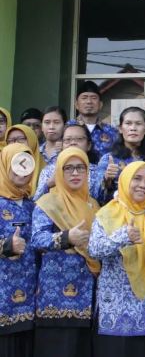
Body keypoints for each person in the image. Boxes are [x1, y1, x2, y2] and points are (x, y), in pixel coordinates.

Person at [32, 147, 100, 357]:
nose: (75, 173)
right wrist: (66, 238)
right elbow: (37, 239)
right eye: (68, 168)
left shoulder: (94, 205)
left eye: (80, 167)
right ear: (59, 172)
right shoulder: (47, 203)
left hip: (86, 295)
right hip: (54, 297)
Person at [89, 161, 145, 357]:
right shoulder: (107, 213)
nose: (142, 185)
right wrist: (123, 237)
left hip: (144, 307)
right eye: (137, 179)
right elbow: (94, 249)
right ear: (125, 180)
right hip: (112, 306)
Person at [0, 144, 39, 357]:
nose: (22, 171)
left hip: (29, 301)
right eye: (16, 164)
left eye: (27, 165)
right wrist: (7, 245)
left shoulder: (33, 205)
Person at [96, 107, 145, 204]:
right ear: (120, 129)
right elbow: (96, 196)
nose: (133, 128)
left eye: (138, 124)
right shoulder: (109, 159)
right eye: (128, 123)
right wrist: (106, 179)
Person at [34, 123, 102, 203]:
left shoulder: (97, 172)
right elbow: (36, 202)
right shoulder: (48, 171)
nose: (73, 143)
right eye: (68, 140)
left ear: (89, 145)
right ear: (62, 145)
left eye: (79, 139)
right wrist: (49, 184)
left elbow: (102, 202)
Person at [71, 80, 118, 159]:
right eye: (84, 98)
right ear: (76, 104)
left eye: (93, 98)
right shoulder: (67, 128)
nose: (89, 101)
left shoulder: (111, 131)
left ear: (100, 104)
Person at [5, 124, 45, 196]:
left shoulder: (46, 170)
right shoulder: (3, 167)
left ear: (32, 140)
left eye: (21, 139)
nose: (16, 143)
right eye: (11, 140)